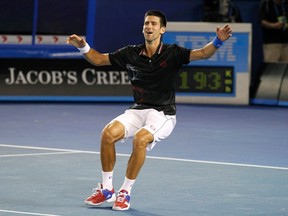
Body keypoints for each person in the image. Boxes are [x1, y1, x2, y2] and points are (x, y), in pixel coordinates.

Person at [66, 10, 232, 211]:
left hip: (163, 114)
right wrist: (82, 46)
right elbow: (99, 59)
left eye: (153, 24)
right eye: (146, 23)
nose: (149, 27)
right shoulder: (130, 53)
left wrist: (218, 41)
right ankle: (107, 189)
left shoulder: (174, 53)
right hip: (138, 110)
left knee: (140, 139)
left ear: (162, 29)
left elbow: (204, 53)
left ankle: (125, 192)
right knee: (108, 134)